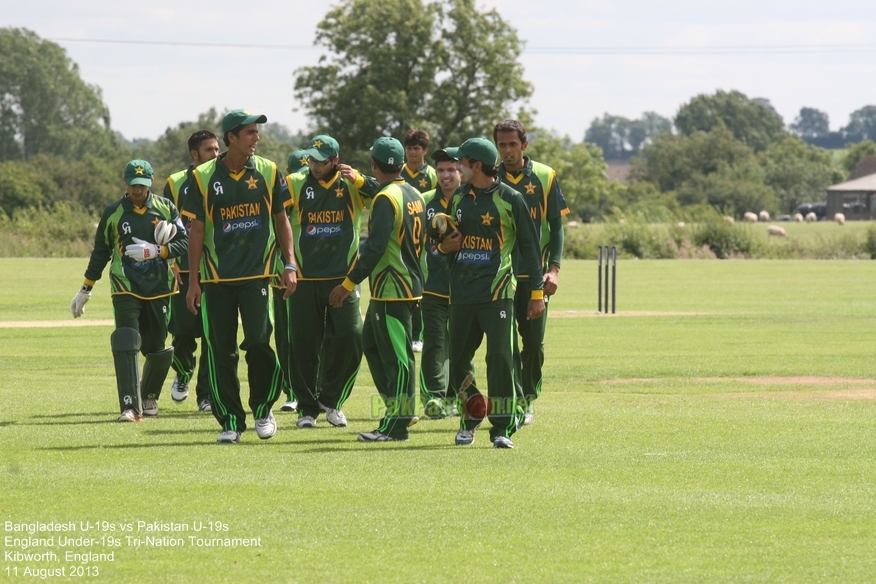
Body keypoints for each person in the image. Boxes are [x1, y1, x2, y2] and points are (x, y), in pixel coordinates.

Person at [182, 109, 297, 444]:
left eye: (256, 132)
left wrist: (290, 263)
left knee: (260, 343)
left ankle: (263, 408)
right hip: (217, 278)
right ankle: (230, 421)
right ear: (231, 138)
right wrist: (193, 282)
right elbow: (197, 230)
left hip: (258, 275)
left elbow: (282, 220)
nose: (256, 138)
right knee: (221, 351)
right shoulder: (202, 176)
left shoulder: (268, 171)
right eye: (249, 132)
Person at [438, 138, 544, 449]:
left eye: (462, 162)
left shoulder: (510, 199)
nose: (458, 167)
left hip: (497, 292)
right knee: (457, 361)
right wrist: (445, 246)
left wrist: (536, 293)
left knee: (499, 360)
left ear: (478, 165)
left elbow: (530, 247)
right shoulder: (458, 197)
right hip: (461, 292)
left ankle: (501, 428)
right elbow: (446, 245)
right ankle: (471, 414)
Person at [71, 159, 188, 422]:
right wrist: (85, 289)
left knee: (157, 349)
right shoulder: (113, 212)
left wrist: (159, 250)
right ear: (125, 183)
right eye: (134, 185)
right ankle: (129, 406)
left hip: (159, 287)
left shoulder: (165, 207)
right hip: (124, 285)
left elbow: (185, 241)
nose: (138, 191)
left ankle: (148, 397)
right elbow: (101, 251)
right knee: (126, 339)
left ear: (151, 182)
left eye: (143, 185)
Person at [329, 136, 425, 442]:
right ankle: (400, 409)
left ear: (374, 164)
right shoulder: (412, 191)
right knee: (370, 342)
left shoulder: (386, 199)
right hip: (404, 285)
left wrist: (347, 284)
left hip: (392, 289)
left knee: (399, 358)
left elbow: (374, 249)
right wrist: (359, 180)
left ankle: (396, 425)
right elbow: (382, 190)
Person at [285, 135, 379, 429]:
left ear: (335, 161)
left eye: (321, 161)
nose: (314, 165)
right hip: (304, 277)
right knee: (302, 344)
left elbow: (387, 194)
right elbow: (275, 213)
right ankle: (307, 409)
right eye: (311, 159)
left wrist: (362, 180)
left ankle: (333, 400)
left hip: (343, 277)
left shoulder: (351, 183)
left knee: (352, 336)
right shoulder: (295, 182)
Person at [494, 119, 570, 426]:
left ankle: (529, 398)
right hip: (500, 275)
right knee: (504, 343)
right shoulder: (491, 177)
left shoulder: (544, 175)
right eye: (502, 145)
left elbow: (557, 227)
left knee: (533, 344)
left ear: (524, 145)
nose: (508, 150)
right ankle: (514, 398)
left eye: (513, 144)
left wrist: (554, 269)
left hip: (536, 276)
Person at [162, 130, 220, 413]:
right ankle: (184, 371)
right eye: (209, 150)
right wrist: (171, 264)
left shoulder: (223, 178)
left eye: (217, 149)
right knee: (183, 331)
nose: (215, 154)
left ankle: (206, 395)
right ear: (194, 155)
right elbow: (162, 228)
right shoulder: (175, 183)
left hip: (216, 271)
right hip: (183, 270)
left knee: (213, 335)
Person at [419, 148, 462, 419]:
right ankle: (434, 398)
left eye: (451, 170)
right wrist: (440, 249)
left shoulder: (472, 201)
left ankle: (455, 397)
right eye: (441, 170)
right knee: (434, 342)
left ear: (462, 171)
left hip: (466, 288)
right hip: (432, 284)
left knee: (460, 346)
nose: (445, 175)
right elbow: (416, 243)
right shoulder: (423, 201)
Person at [274, 149, 310, 414]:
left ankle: (307, 390)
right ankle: (292, 391)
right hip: (284, 274)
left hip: (311, 273)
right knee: (287, 337)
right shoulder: (285, 193)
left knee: (307, 336)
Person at [401, 129, 437, 354]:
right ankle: (405, 331)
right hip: (402, 240)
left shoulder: (432, 175)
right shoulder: (399, 171)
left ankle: (418, 335)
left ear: (425, 150)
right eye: (409, 148)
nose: (413, 153)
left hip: (426, 241)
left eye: (417, 149)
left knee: (422, 288)